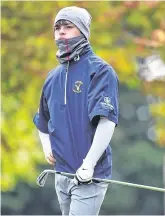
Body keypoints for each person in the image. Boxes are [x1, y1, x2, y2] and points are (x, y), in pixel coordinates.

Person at [33, 6, 119, 216]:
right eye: (57, 28)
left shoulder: (100, 71)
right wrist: (46, 146)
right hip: (61, 174)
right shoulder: (52, 77)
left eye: (68, 27)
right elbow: (42, 120)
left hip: (90, 175)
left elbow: (107, 120)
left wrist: (89, 164)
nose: (61, 31)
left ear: (82, 31)